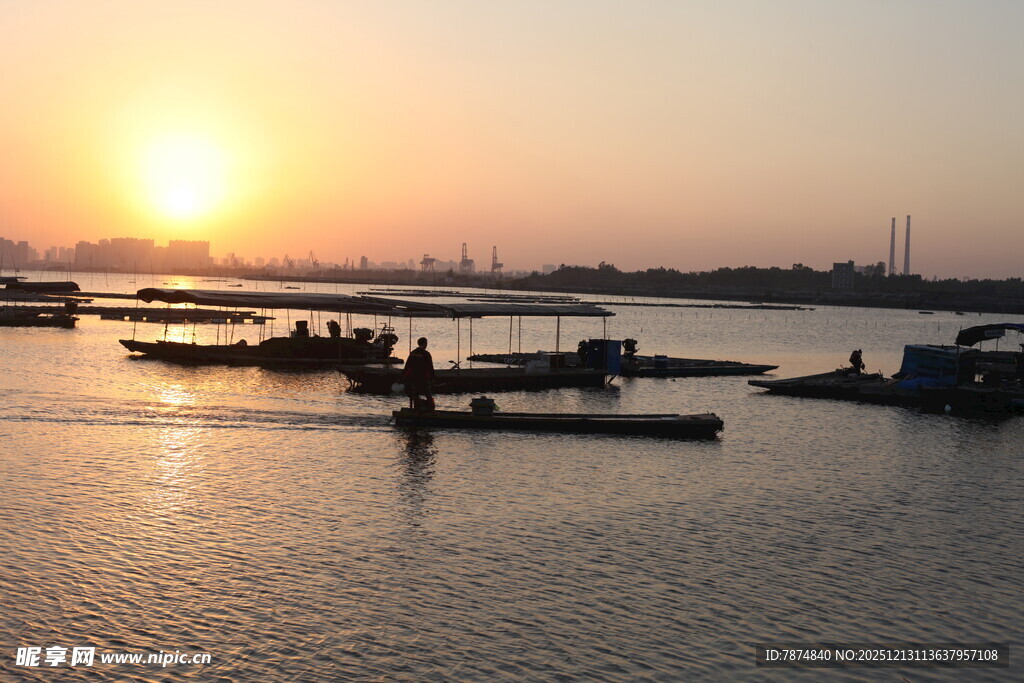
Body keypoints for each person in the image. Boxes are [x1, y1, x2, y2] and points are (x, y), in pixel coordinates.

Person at [401, 337, 435, 411]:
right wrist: (432, 378)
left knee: (415, 394)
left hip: (414, 377)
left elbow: (407, 366)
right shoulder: (426, 354)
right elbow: (430, 367)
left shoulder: (413, 353)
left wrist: (402, 377)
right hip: (423, 378)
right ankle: (430, 410)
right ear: (425, 344)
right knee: (428, 394)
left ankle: (416, 409)